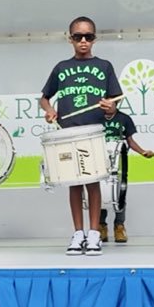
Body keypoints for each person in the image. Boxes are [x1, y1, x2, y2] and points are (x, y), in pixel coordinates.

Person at [41, 16, 125, 256]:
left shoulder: (104, 66)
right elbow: (44, 97)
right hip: (67, 133)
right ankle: (78, 233)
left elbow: (115, 100)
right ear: (70, 39)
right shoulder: (61, 67)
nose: (83, 41)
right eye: (78, 37)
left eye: (88, 36)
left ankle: (94, 233)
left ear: (95, 39)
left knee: (92, 181)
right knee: (73, 184)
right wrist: (50, 111)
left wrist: (111, 107)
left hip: (93, 132)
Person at [96, 110, 154, 243]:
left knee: (120, 193)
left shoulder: (124, 118)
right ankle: (101, 226)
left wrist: (143, 152)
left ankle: (119, 226)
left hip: (120, 162)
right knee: (100, 192)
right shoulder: (95, 117)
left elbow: (130, 141)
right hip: (99, 160)